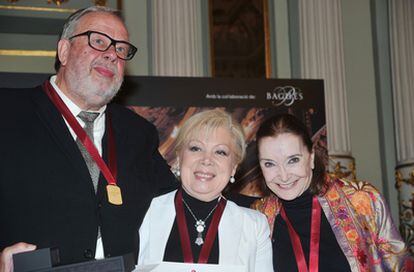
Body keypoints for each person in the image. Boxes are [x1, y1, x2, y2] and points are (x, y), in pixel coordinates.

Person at [0, 6, 177, 271]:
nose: (111, 55)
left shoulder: (139, 134)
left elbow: (177, 206)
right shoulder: (7, 112)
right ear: (64, 51)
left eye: (120, 49)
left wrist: (255, 211)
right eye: (98, 41)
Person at [253, 114, 413, 272]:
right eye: (269, 164)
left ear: (311, 156)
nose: (284, 175)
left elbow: (400, 267)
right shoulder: (257, 218)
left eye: (293, 160)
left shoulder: (362, 200)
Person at [138, 109, 273, 271]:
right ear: (180, 157)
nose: (207, 160)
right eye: (196, 148)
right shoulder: (144, 214)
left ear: (233, 168)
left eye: (220, 152)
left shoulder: (255, 226)